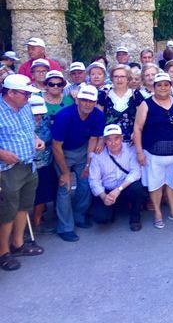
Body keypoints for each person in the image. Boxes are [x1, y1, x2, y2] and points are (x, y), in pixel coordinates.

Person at [133, 72, 173, 229]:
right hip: (153, 154)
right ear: (153, 87)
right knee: (155, 185)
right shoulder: (145, 105)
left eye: (166, 84)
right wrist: (139, 152)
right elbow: (138, 129)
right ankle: (158, 213)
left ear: (170, 86)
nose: (163, 88)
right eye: (159, 85)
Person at [0, 75, 45, 271]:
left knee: (23, 207)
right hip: (8, 170)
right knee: (7, 212)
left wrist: (36, 139)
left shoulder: (25, 107)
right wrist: (1, 153)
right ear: (10, 93)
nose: (28, 97)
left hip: (29, 165)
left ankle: (18, 244)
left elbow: (29, 130)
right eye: (25, 94)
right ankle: (3, 252)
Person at [51, 84, 105, 242]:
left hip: (82, 150)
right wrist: (65, 173)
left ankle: (79, 215)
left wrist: (88, 164)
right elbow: (56, 146)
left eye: (91, 101)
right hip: (63, 152)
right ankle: (65, 227)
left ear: (95, 102)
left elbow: (94, 139)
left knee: (86, 182)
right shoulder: (64, 116)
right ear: (78, 101)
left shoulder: (97, 115)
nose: (88, 104)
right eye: (84, 100)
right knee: (65, 187)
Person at [89, 124, 145, 231]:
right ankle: (112, 207)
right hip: (107, 191)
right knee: (101, 218)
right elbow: (94, 180)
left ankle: (135, 219)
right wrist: (103, 196)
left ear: (122, 138)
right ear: (105, 141)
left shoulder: (130, 150)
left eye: (116, 138)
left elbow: (136, 172)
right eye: (109, 139)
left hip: (124, 187)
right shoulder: (98, 155)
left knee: (137, 188)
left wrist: (119, 189)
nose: (113, 143)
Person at [29, 96, 57, 235]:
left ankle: (37, 222)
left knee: (42, 194)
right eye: (35, 114)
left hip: (45, 162)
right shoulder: (22, 123)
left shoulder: (46, 120)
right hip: (28, 164)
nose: (38, 116)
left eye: (40, 113)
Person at [98, 65, 137, 142]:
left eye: (122, 76)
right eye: (116, 76)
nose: (119, 79)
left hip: (131, 141)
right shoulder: (104, 95)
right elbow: (99, 119)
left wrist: (136, 134)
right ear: (112, 78)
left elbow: (141, 120)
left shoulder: (135, 95)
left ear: (128, 79)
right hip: (109, 142)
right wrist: (101, 139)